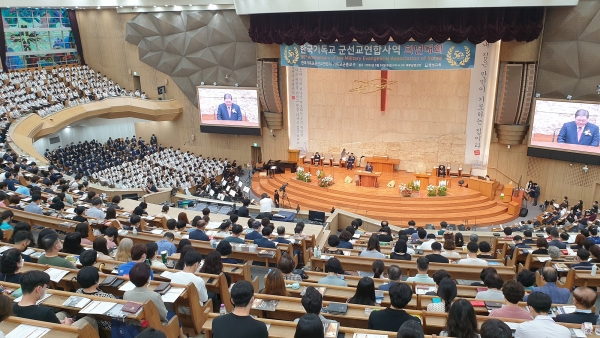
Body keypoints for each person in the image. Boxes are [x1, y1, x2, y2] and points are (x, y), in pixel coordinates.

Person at [13, 270, 98, 329]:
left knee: (62, 313)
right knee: (90, 319)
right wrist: (67, 324)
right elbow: (60, 332)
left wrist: (59, 322)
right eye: (46, 287)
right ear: (38, 289)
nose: (46, 289)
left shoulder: (11, 307)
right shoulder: (45, 312)